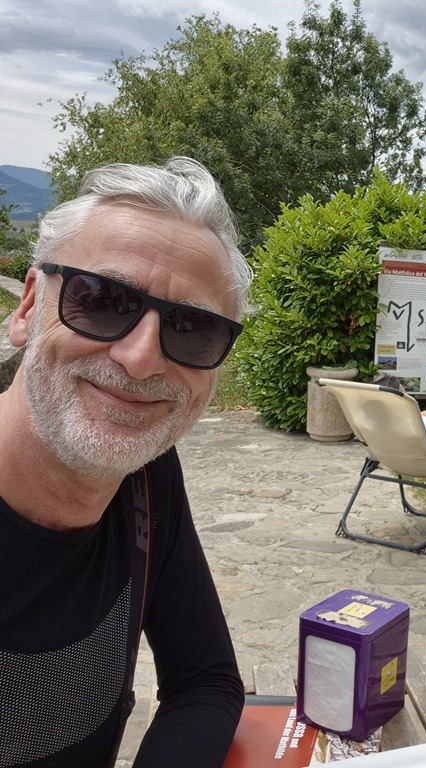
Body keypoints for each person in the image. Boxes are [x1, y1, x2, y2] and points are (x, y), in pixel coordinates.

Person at [0, 158, 248, 766]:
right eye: (102, 301)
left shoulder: (145, 478)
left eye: (193, 328)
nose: (141, 359)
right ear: (28, 307)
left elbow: (205, 681)